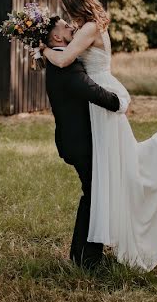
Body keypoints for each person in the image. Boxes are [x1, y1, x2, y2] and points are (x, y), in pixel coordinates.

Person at [41, 0, 157, 271]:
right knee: (103, 179)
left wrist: (42, 49)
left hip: (101, 98)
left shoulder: (87, 29)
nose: (68, 20)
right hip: (100, 96)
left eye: (68, 12)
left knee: (105, 178)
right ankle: (88, 255)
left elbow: (65, 59)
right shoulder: (96, 25)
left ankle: (89, 256)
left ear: (75, 6)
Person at [42, 16, 122, 269]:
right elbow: (90, 90)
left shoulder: (58, 59)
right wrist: (118, 101)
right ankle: (87, 260)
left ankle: (82, 256)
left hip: (77, 139)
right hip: (80, 141)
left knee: (93, 193)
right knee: (94, 194)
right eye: (65, 26)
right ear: (56, 37)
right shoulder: (64, 64)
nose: (71, 28)